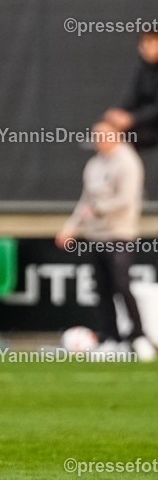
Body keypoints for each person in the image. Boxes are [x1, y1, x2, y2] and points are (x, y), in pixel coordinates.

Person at [56, 121, 150, 355]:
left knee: (121, 284)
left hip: (119, 234)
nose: (97, 141)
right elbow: (85, 201)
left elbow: (126, 199)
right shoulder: (94, 164)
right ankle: (111, 337)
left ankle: (138, 336)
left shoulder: (128, 162)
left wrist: (98, 208)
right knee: (102, 288)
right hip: (94, 235)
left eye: (101, 136)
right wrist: (71, 227)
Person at [104, 32, 158, 150]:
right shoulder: (143, 70)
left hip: (152, 127)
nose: (145, 47)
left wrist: (132, 118)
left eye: (150, 42)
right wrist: (118, 114)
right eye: (143, 43)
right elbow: (132, 98)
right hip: (142, 123)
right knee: (106, 126)